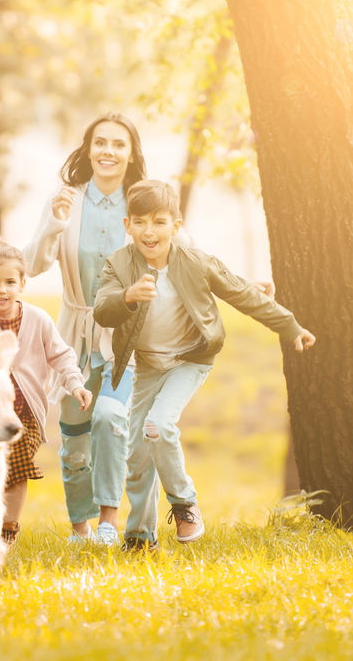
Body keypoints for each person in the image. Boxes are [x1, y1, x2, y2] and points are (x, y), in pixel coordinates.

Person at [94, 179, 316, 545]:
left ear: (175, 226)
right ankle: (138, 536)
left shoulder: (194, 261)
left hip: (190, 359)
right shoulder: (118, 265)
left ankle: (185, 504)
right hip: (148, 365)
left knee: (158, 426)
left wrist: (289, 325)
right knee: (136, 456)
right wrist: (128, 296)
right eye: (140, 222)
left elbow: (241, 293)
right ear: (127, 225)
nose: (150, 232)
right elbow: (103, 309)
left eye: (159, 221)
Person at [23, 113, 153, 547]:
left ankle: (109, 524)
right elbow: (32, 264)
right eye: (101, 142)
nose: (108, 151)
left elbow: (183, 254)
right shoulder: (67, 199)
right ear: (88, 147)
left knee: (112, 417)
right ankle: (80, 528)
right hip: (73, 333)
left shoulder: (141, 204)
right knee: (74, 440)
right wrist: (55, 223)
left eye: (119, 144)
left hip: (125, 336)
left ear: (131, 153)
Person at [0, 237, 94, 546]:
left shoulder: (38, 319)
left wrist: (76, 384)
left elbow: (61, 355)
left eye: (9, 282)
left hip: (26, 412)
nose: (1, 289)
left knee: (16, 468)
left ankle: (8, 528)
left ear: (21, 284)